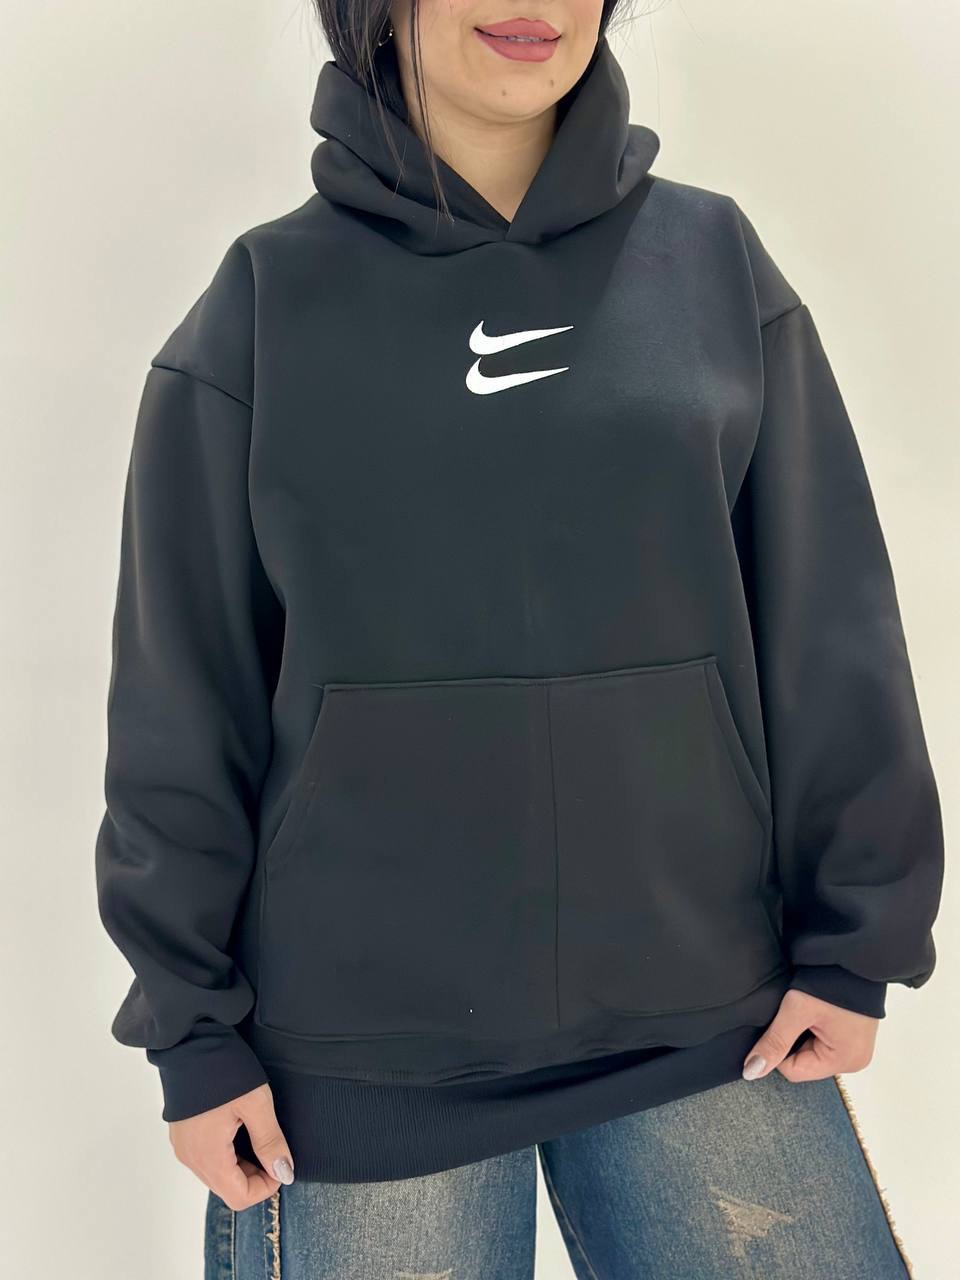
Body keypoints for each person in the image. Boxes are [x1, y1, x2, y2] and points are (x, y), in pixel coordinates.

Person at [94, 0, 944, 1275]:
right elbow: (183, 693)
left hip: (713, 1022)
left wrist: (856, 940)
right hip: (361, 1066)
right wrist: (192, 1029)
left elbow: (829, 622)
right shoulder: (266, 302)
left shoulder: (713, 264)